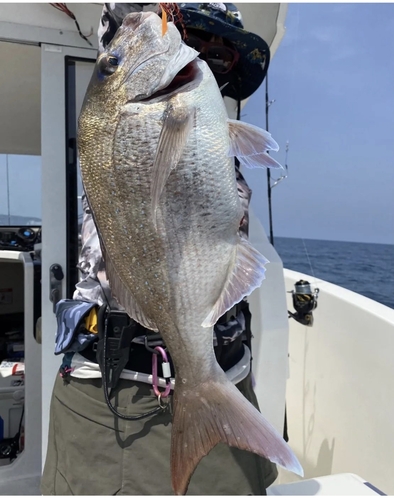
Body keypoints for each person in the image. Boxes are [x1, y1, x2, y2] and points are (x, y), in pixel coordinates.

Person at [41, 3, 277, 495]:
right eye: (192, 38)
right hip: (117, 403)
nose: (202, 57)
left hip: (231, 376)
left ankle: (203, 383)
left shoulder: (207, 118)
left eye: (221, 54)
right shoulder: (137, 69)